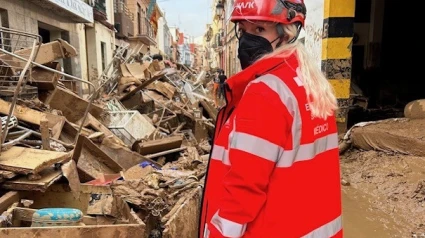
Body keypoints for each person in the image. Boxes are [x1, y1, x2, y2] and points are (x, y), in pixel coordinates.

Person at [199, 0, 342, 238]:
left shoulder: (264, 93)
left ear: (286, 34)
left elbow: (242, 192)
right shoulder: (312, 85)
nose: (247, 41)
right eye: (244, 31)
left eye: (259, 30)